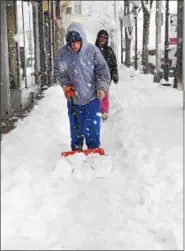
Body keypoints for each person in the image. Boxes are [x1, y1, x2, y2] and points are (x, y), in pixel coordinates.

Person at [54, 22, 111, 151]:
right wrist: (66, 86)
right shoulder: (62, 54)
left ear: (82, 40)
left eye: (77, 42)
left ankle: (93, 150)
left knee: (92, 127)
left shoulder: (92, 51)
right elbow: (60, 72)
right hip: (74, 98)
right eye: (71, 43)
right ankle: (77, 149)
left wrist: (102, 87)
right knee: (76, 128)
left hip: (92, 98)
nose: (74, 45)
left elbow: (103, 71)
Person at [95, 29, 119, 121]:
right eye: (101, 37)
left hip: (106, 78)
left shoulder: (109, 51)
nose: (102, 39)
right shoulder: (93, 49)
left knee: (105, 94)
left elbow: (114, 64)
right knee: (95, 96)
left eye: (105, 38)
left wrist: (115, 74)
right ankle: (96, 111)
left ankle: (104, 112)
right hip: (95, 77)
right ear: (98, 38)